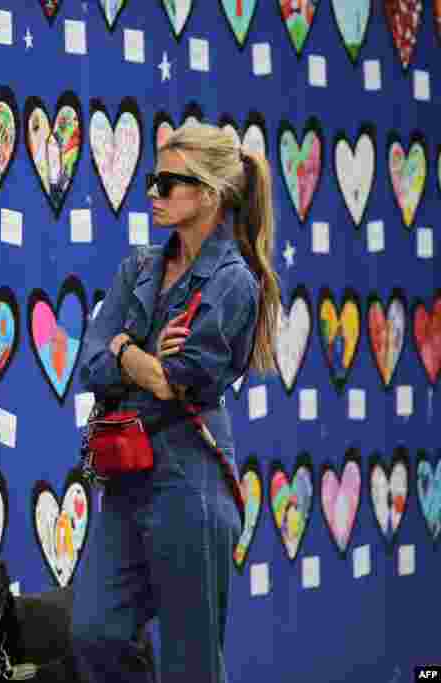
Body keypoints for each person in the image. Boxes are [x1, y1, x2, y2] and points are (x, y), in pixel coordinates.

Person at [71, 123, 281, 682]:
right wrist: (138, 356)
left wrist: (125, 352)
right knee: (95, 631)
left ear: (209, 193)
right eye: (152, 181)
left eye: (168, 183)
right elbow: (90, 363)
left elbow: (183, 379)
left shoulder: (235, 281)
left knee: (191, 663)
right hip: (124, 477)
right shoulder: (139, 265)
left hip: (190, 481)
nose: (153, 194)